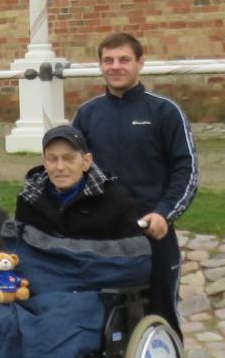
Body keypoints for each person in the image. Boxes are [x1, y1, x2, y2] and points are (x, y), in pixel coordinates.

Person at [70, 32, 198, 338]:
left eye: (124, 59)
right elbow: (72, 172)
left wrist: (164, 213)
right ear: (100, 65)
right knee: (100, 324)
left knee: (161, 318)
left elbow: (187, 170)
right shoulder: (87, 114)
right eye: (108, 60)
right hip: (102, 237)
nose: (115, 66)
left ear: (140, 63)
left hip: (152, 233)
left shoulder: (164, 112)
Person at [13, 124, 146, 242]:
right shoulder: (29, 199)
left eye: (68, 158)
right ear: (44, 163)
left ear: (86, 162)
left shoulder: (116, 200)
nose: (60, 167)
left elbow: (131, 253)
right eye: (52, 159)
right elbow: (19, 249)